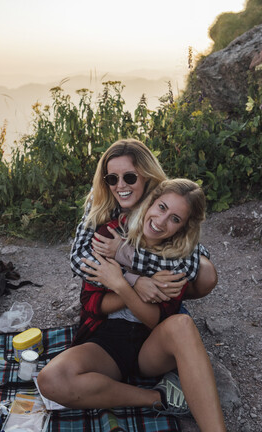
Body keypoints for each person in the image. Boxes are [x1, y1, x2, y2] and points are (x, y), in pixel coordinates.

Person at [37, 178, 226, 431]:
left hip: (153, 345)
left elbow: (154, 319)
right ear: (151, 202)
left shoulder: (178, 259)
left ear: (183, 227)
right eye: (161, 207)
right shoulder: (111, 233)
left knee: (182, 324)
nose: (161, 221)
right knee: (51, 380)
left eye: (175, 219)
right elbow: (91, 303)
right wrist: (136, 283)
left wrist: (121, 285)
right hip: (109, 338)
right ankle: (159, 398)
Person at [71, 138, 217, 305]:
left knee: (206, 273)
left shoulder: (161, 196)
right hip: (117, 278)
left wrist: (125, 253)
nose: (120, 186)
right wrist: (133, 281)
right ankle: (132, 302)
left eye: (130, 177)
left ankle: (164, 301)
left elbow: (189, 264)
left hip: (148, 265)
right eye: (112, 178)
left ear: (146, 175)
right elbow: (78, 256)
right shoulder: (101, 195)